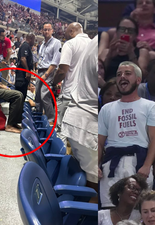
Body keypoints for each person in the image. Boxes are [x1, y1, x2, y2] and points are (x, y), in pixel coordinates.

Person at [98, 61, 155, 208]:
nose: (122, 77)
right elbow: (100, 141)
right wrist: (96, 165)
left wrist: (147, 166)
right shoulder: (106, 109)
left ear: (138, 80)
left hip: (139, 163)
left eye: (128, 73)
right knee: (110, 210)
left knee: (138, 213)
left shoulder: (150, 106)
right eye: (119, 74)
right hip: (112, 164)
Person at [61, 36, 99, 202]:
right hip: (88, 122)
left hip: (79, 115)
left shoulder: (95, 41)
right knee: (94, 186)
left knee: (84, 178)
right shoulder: (102, 42)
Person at [52, 22, 91, 133]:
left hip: (69, 94)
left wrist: (54, 82)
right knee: (79, 134)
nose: (65, 36)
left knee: (60, 130)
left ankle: (60, 151)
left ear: (71, 31)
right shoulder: (93, 44)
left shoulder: (70, 44)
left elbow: (62, 71)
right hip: (86, 97)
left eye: (65, 33)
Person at [103, 17, 150, 81]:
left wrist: (131, 53)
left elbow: (142, 76)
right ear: (117, 32)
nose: (126, 32)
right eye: (122, 29)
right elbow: (99, 74)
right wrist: (109, 56)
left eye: (130, 31)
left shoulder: (142, 52)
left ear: (135, 35)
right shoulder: (107, 52)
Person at [35, 22, 61, 126]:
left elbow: (55, 62)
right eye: (44, 29)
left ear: (52, 31)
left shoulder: (56, 42)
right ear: (42, 31)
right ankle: (38, 115)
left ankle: (51, 118)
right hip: (40, 70)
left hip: (49, 71)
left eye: (48, 29)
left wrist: (46, 74)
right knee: (37, 95)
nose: (46, 31)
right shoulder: (42, 44)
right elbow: (40, 58)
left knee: (44, 95)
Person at [15, 33, 35, 103]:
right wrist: (27, 71)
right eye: (34, 40)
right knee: (19, 96)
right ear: (30, 39)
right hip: (21, 76)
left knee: (22, 97)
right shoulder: (25, 46)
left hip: (23, 77)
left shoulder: (27, 46)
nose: (34, 42)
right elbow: (23, 59)